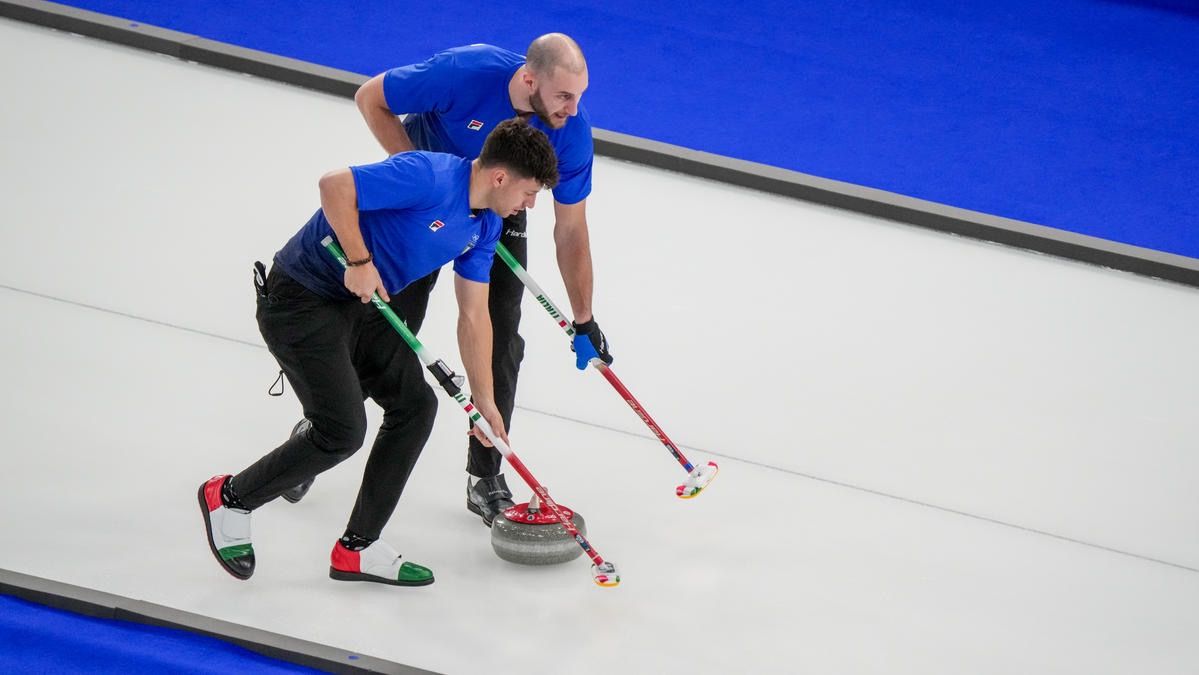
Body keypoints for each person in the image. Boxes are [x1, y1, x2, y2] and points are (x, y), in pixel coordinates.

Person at [198, 119, 559, 586]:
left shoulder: (486, 224)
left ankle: (358, 547)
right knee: (341, 431)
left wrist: (485, 403)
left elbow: (474, 315)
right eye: (529, 193)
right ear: (500, 177)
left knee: (416, 406)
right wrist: (359, 260)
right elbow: (333, 186)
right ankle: (228, 498)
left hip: (361, 306)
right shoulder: (429, 175)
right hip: (301, 298)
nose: (530, 205)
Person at [282, 33, 615, 527]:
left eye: (580, 95)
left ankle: (485, 475)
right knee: (387, 331)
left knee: (501, 336)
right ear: (529, 80)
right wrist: (423, 180)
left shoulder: (572, 131)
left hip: (498, 211)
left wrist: (583, 317)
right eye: (564, 95)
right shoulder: (466, 72)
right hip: (427, 197)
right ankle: (320, 435)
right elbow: (371, 98)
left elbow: (570, 228)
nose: (574, 108)